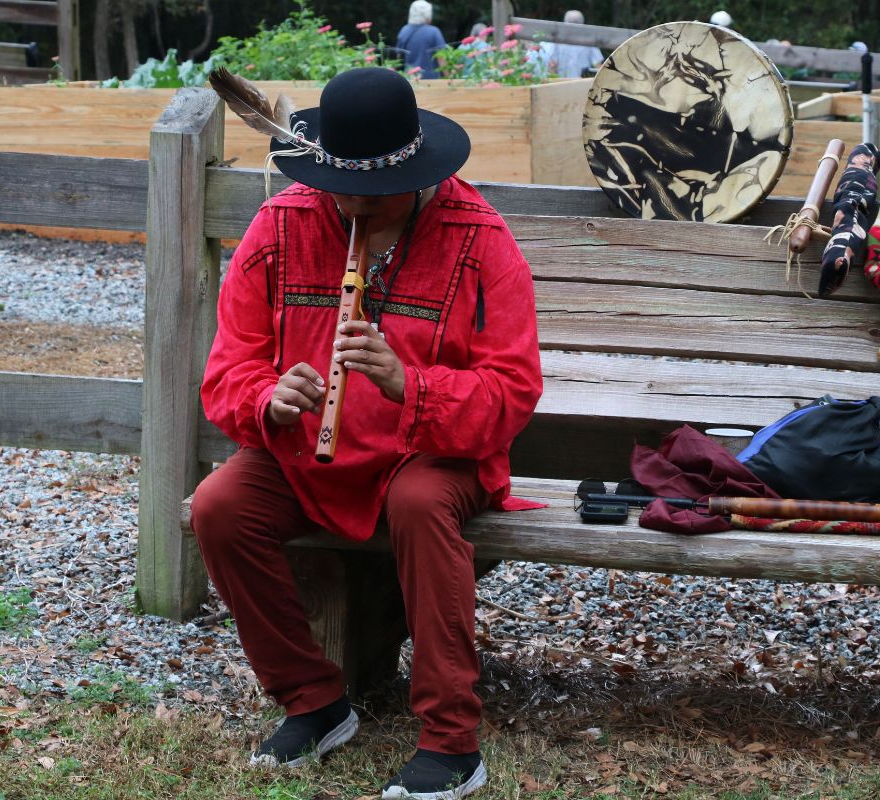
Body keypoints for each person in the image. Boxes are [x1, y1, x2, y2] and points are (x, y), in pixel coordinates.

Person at [192, 67, 543, 799]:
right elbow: (227, 372)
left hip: (432, 453)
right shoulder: (282, 223)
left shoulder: (479, 239)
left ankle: (452, 741)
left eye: (372, 195)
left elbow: (511, 395)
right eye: (337, 189)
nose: (351, 207)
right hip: (309, 458)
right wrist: (269, 398)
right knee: (219, 507)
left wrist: (406, 384)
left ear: (416, 175)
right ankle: (314, 701)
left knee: (417, 503)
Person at [543, 10, 604, 78]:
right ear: (582, 23)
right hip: (581, 83)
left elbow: (552, 66)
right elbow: (598, 66)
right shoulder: (589, 39)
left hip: (562, 83)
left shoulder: (557, 40)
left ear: (565, 22)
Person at [397, 0, 447, 78]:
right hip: (431, 80)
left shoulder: (404, 31)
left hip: (410, 79)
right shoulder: (434, 32)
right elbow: (441, 58)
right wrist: (449, 77)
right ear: (427, 14)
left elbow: (399, 58)